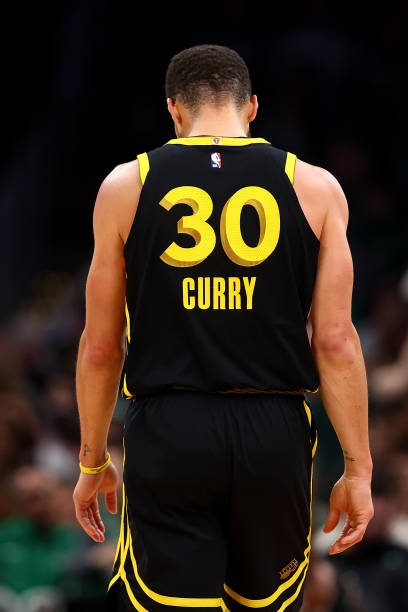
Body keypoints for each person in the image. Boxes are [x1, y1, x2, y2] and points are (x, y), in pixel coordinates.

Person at [72, 44, 374, 611]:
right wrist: (358, 468)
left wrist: (92, 460)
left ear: (174, 111)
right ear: (252, 107)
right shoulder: (316, 187)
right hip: (274, 430)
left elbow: (99, 347)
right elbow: (336, 341)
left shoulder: (125, 185)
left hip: (170, 427)